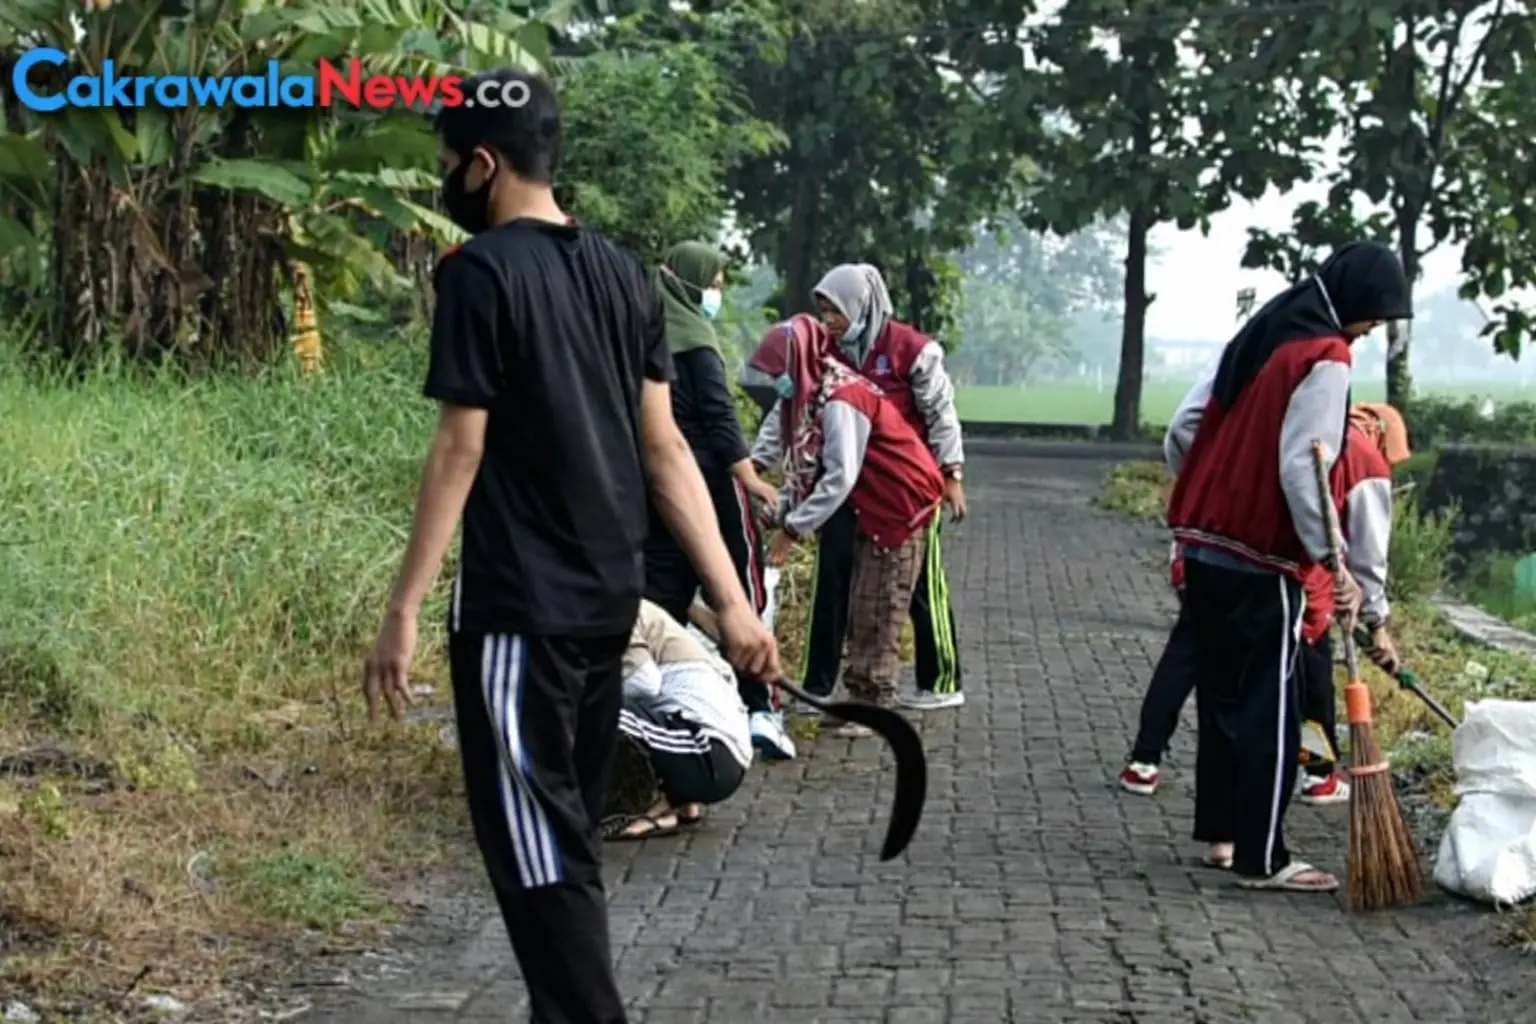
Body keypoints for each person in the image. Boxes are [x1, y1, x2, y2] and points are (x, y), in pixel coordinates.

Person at [358, 69, 779, 1024]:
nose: (446, 181)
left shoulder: (478, 274)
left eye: (446, 165)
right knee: (567, 849)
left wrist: (403, 609)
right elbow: (666, 451)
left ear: (481, 163)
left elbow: (460, 448)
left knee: (539, 864)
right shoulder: (627, 276)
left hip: (518, 621)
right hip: (609, 613)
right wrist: (734, 600)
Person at [1161, 240, 1411, 894]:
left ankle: (1222, 836)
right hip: (1263, 558)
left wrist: (1221, 487)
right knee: (1273, 703)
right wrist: (1334, 563)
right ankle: (1263, 856)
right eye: (1376, 318)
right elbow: (1305, 462)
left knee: (1219, 696)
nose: (1371, 330)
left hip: (1204, 544)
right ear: (1356, 305)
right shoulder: (1326, 357)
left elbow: (1184, 429)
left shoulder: (1263, 333)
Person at [1119, 401, 1411, 801]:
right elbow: (1369, 551)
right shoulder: (1366, 460)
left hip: (1210, 550)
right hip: (1296, 578)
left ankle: (1143, 763)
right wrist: (1377, 623)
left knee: (1187, 654)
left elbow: (1185, 435)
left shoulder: (1279, 422)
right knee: (1309, 679)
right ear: (1382, 436)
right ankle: (1317, 773)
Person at [752, 264, 967, 712]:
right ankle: (820, 682)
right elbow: (787, 413)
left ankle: (939, 679)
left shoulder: (910, 349)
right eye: (824, 312)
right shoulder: (821, 352)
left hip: (902, 487)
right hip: (850, 487)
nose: (830, 321)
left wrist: (951, 473)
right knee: (835, 580)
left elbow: (941, 414)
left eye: (837, 312)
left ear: (862, 306)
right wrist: (753, 467)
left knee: (914, 589)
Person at [641, 241, 795, 762]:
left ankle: (654, 698)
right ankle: (763, 710)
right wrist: (750, 479)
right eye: (714, 283)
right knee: (743, 589)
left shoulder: (646, 335)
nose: (717, 294)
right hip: (710, 482)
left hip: (656, 485)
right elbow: (719, 418)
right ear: (690, 283)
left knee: (659, 590)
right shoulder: (699, 344)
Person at [602, 600, 753, 840]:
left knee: (590, 711)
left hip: (710, 750)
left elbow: (643, 683)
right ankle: (674, 801)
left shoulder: (614, 607)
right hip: (721, 752)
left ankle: (648, 807)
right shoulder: (636, 608)